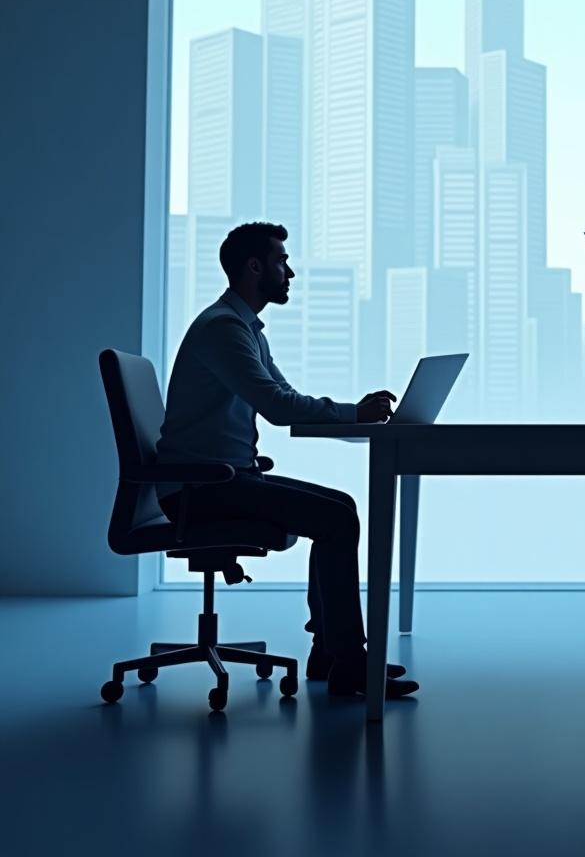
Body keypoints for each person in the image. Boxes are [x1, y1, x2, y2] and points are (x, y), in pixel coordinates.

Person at [155, 222, 418, 700]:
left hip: (221, 479)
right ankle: (349, 663)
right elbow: (277, 406)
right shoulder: (224, 329)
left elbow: (284, 396)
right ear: (254, 267)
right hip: (202, 488)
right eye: (281, 261)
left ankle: (331, 652)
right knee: (337, 516)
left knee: (339, 507)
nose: (289, 271)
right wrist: (354, 413)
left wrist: (351, 414)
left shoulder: (243, 328)